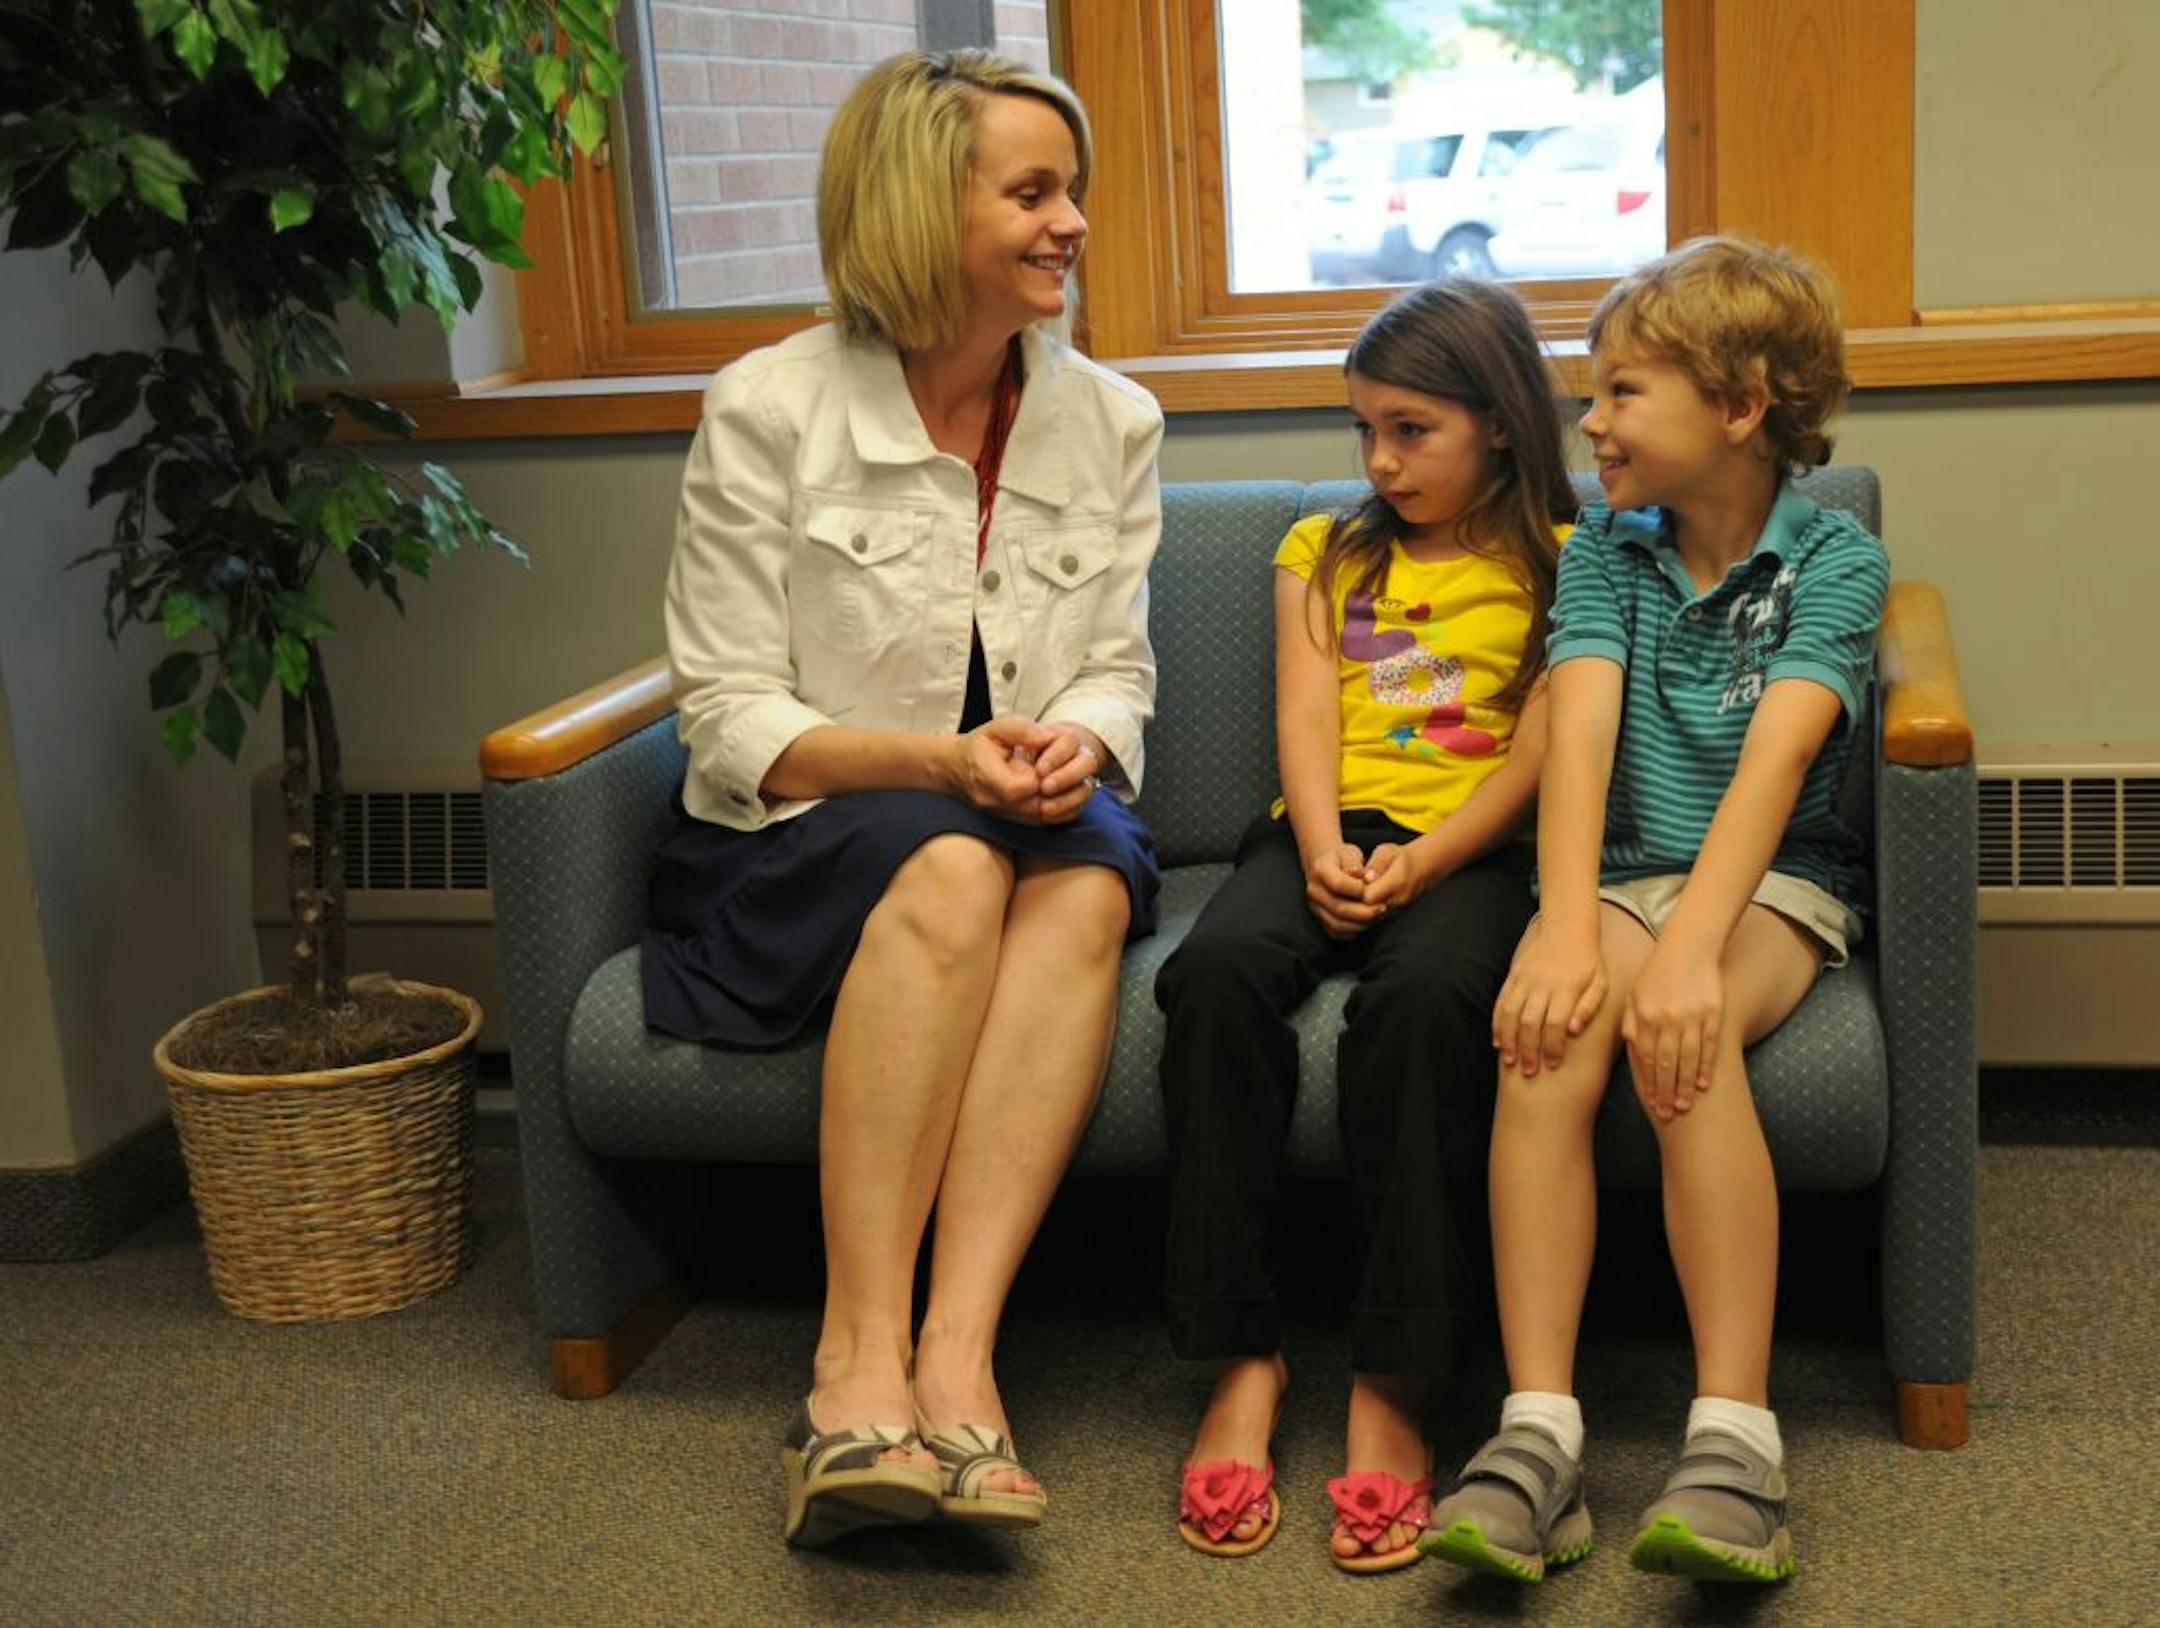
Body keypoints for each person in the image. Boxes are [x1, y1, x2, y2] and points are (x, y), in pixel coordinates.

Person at [639, 49, 1164, 1549]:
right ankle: (854, 1356)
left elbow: (1117, 669)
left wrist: (1077, 740)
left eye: (1075, 192)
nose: (1072, 223)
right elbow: (730, 714)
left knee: (1079, 871)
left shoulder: (1113, 420)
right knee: (952, 866)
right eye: (1033, 192)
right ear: (921, 210)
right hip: (807, 833)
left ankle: (960, 1356)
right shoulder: (766, 407)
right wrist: (939, 765)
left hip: (1020, 820)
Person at [1420, 236, 1888, 1586]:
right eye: (1593, 394)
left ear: (1740, 408)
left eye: (1624, 392)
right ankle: (1539, 1435)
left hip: (1772, 882)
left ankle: (1738, 1438)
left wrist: (1690, 955)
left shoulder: (1836, 563)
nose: (1594, 424)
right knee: (1545, 1046)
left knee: (1683, 1055)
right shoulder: (1607, 556)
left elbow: (1780, 761)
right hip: (1625, 872)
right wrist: (1567, 924)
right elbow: (1577, 739)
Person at [1156, 280, 1574, 1572]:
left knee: (1424, 1008)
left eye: (1412, 432)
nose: (1381, 462)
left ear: (1499, 424)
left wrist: (1429, 861)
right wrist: (1331, 846)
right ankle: (1241, 1356)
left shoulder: (1566, 550)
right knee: (1214, 974)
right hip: (1328, 826)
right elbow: (1306, 716)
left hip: (1476, 853)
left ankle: (1395, 1382)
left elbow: (1541, 757)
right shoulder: (1322, 553)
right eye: (1365, 434)